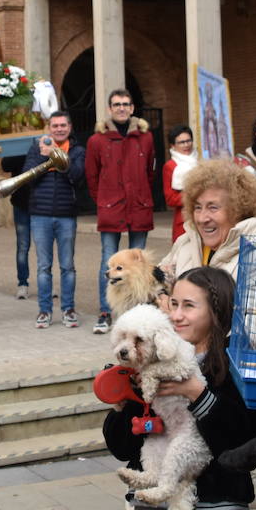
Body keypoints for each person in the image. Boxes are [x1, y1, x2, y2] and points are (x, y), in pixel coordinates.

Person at [103, 267, 256, 510]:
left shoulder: (233, 370)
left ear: (216, 313)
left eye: (190, 305)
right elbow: (120, 445)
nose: (177, 314)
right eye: (174, 303)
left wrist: (196, 394)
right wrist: (125, 401)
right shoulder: (142, 359)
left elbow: (237, 445)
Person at [86, 90, 156, 334]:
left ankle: (139, 310)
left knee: (140, 263)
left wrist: (140, 194)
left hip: (138, 206)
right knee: (109, 260)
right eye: (116, 104)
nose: (121, 108)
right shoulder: (97, 140)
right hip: (111, 207)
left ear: (133, 107)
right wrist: (104, 199)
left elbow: (150, 170)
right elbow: (92, 177)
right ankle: (106, 312)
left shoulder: (145, 138)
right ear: (109, 109)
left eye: (126, 104)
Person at [159, 159, 256, 281]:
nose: (202, 218)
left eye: (213, 207)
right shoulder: (186, 243)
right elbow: (157, 285)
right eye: (197, 207)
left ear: (238, 210)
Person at [24, 112, 85, 329]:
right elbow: (28, 176)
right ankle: (45, 310)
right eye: (55, 125)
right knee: (43, 267)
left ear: (69, 127)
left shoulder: (77, 151)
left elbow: (78, 176)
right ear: (49, 128)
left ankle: (68, 309)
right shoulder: (36, 147)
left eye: (63, 125)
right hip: (40, 215)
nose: (59, 129)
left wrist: (57, 155)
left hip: (66, 214)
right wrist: (44, 155)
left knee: (68, 266)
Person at [0, 150, 33, 301]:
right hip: (21, 204)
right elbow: (5, 165)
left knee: (44, 247)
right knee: (23, 246)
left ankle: (46, 283)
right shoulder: (15, 147)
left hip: (41, 204)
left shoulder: (41, 144)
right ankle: (22, 283)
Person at [163, 125, 198, 242]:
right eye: (181, 142)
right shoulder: (170, 166)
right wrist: (195, 194)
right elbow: (170, 199)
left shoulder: (199, 162)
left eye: (188, 141)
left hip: (203, 216)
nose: (186, 145)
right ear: (173, 146)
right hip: (184, 219)